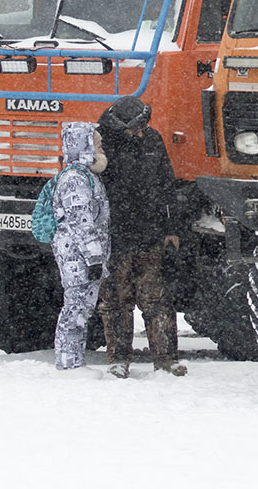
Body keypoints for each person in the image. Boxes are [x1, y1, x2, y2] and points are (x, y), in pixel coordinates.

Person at [95, 96, 188, 378]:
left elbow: (166, 184)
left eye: (143, 126)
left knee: (158, 300)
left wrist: (172, 228)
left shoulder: (152, 139)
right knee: (115, 302)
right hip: (114, 237)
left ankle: (166, 360)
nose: (140, 132)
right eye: (135, 128)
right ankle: (118, 360)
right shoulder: (100, 145)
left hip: (151, 234)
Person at [51, 121, 111, 376]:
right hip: (78, 258)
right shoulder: (76, 180)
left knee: (81, 310)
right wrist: (95, 258)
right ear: (84, 145)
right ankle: (69, 364)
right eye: (96, 143)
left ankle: (73, 361)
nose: (101, 147)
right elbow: (82, 223)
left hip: (82, 257)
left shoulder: (88, 176)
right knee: (75, 310)